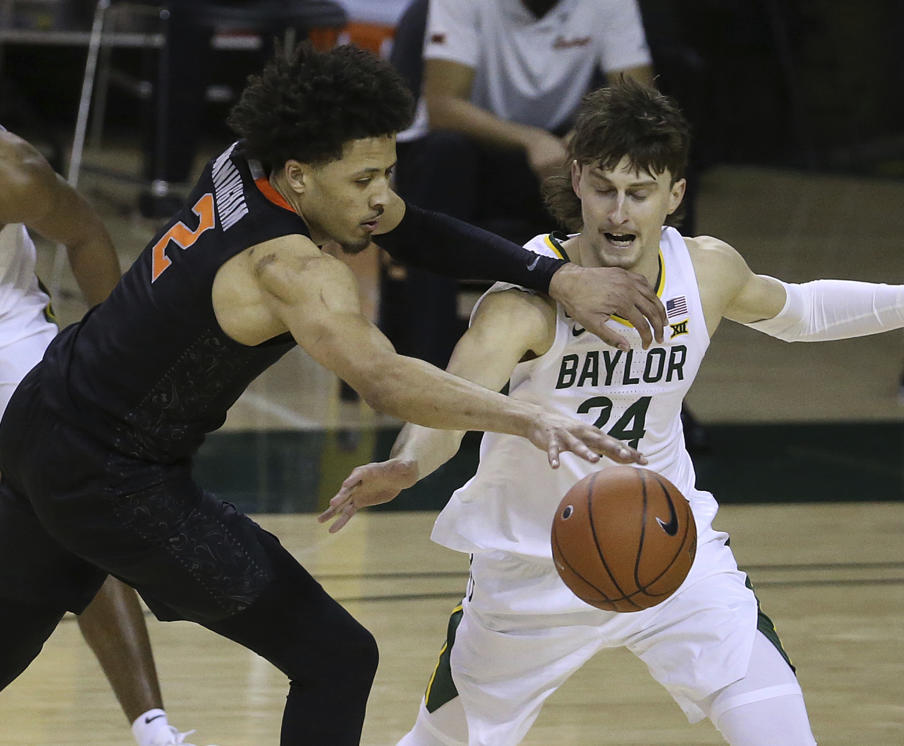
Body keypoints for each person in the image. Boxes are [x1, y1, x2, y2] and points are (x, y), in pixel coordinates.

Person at [0, 44, 670, 745]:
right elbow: (384, 380)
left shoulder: (243, 162)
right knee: (336, 658)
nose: (381, 196)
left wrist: (552, 277)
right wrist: (524, 415)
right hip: (112, 478)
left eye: (387, 170)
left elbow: (411, 230)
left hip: (44, 413)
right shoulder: (289, 268)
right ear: (299, 177)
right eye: (362, 181)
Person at [321, 81, 904, 745]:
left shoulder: (705, 271)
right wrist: (406, 463)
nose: (618, 211)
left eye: (639, 191)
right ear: (576, 181)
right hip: (533, 570)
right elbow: (454, 402)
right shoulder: (526, 296)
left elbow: (803, 312)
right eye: (603, 188)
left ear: (674, 196)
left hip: (671, 551)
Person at [0, 93, 202, 745]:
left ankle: (153, 728)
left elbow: (87, 234)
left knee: (69, 497)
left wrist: (112, 363)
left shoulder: (3, 169)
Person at [383, 0, 654, 369]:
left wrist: (580, 140)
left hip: (564, 153)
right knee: (444, 154)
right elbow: (444, 107)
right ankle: (431, 368)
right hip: (474, 158)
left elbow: (636, 97)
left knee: (647, 162)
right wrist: (530, 140)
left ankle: (649, 356)